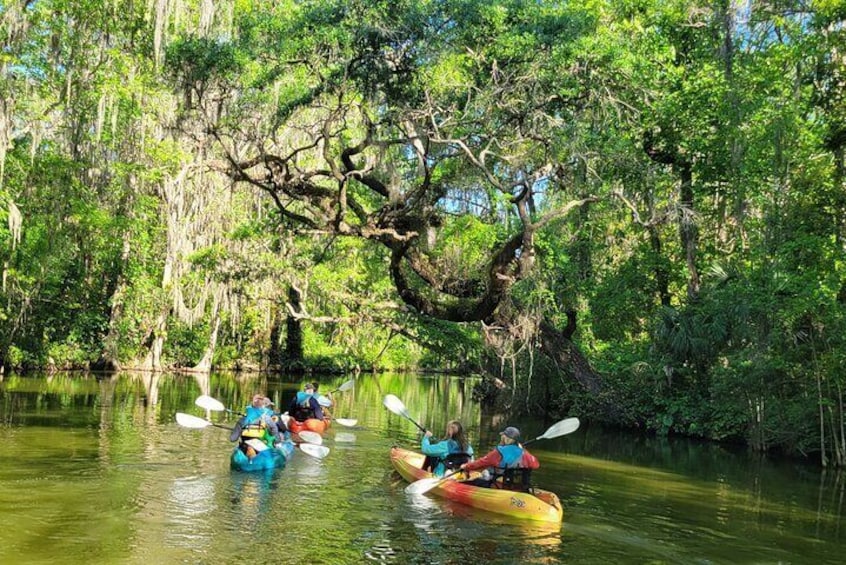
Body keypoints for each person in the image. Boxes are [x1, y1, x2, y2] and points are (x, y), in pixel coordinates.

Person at [459, 426, 539, 491]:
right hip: (517, 486)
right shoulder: (524, 453)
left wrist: (465, 466)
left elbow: (481, 463)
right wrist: (523, 450)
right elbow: (536, 465)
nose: (501, 438)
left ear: (507, 439)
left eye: (503, 436)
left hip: (497, 486)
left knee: (467, 483)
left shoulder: (499, 452)